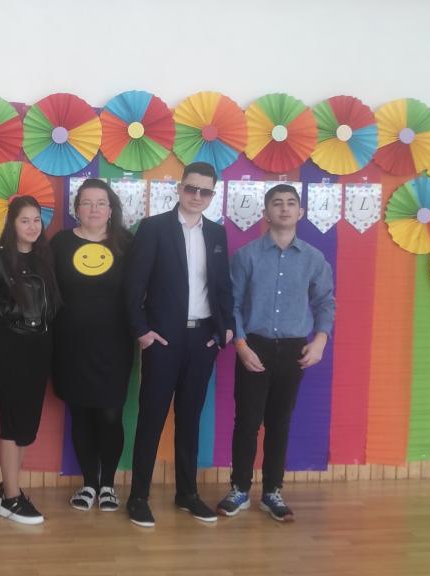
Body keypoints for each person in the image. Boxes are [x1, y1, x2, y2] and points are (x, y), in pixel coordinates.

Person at [123, 161, 234, 528]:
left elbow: (222, 287)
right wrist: (142, 332)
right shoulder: (153, 228)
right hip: (163, 340)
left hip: (203, 340)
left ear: (212, 195)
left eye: (205, 191)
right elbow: (133, 286)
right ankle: (138, 497)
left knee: (190, 419)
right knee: (151, 418)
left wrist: (224, 330)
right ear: (180, 188)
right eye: (191, 188)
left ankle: (187, 494)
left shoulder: (216, 233)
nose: (197, 196)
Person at [218, 184, 335, 523]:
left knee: (279, 422)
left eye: (291, 203)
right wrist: (241, 346)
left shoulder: (314, 258)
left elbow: (325, 302)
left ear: (300, 212)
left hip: (294, 349)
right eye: (277, 203)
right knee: (247, 421)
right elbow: (232, 305)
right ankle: (240, 489)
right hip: (254, 346)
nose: (284, 208)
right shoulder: (247, 256)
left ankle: (272, 491)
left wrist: (320, 341)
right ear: (266, 213)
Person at [51, 178, 134, 514]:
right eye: (87, 202)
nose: (94, 209)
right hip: (70, 344)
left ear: (111, 209)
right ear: (76, 209)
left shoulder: (126, 243)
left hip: (115, 345)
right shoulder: (60, 243)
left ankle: (108, 484)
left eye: (101, 203)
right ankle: (88, 483)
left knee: (110, 414)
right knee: (81, 413)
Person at [0, 195, 61, 525]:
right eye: (24, 220)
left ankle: (7, 488)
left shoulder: (45, 257)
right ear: (12, 224)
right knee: (14, 423)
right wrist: (14, 308)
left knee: (28, 424)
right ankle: (12, 498)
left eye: (36, 220)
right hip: (11, 349)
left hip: (40, 348)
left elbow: (52, 305)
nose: (32, 226)